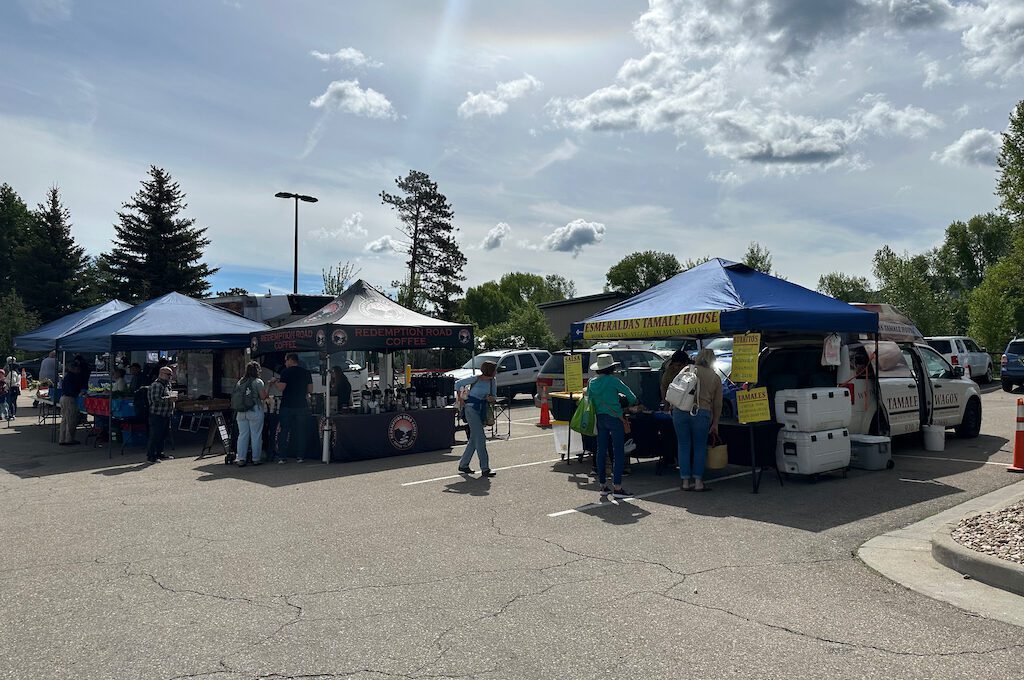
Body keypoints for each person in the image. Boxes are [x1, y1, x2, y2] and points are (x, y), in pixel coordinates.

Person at [587, 353, 638, 498]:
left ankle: (603, 485)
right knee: (618, 452)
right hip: (615, 418)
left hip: (600, 418)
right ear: (611, 368)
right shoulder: (613, 381)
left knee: (601, 450)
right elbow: (632, 397)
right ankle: (617, 487)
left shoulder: (591, 382)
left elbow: (589, 399)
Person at [672, 347, 723, 492]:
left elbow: (675, 387)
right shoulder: (715, 377)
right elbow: (718, 404)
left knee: (683, 445)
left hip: (680, 411)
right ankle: (699, 482)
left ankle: (685, 481)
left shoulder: (687, 369)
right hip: (701, 412)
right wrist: (715, 423)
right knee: (700, 447)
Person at [455, 360, 498, 477]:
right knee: (480, 438)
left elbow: (494, 396)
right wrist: (461, 399)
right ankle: (485, 468)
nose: (496, 372)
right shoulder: (476, 378)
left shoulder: (492, 382)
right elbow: (457, 384)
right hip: (471, 409)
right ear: (490, 371)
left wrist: (491, 398)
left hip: (481, 410)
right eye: (495, 369)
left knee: (474, 439)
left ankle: (463, 465)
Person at [269, 353, 313, 463]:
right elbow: (310, 390)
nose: (285, 363)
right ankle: (300, 456)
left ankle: (282, 456)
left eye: (285, 360)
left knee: (284, 431)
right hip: (302, 405)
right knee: (301, 431)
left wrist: (275, 382)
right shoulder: (306, 372)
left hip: (287, 405)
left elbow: (281, 388)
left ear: (290, 360)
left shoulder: (285, 372)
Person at [234, 361, 269, 467]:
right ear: (257, 370)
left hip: (241, 412)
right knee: (256, 435)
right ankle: (256, 458)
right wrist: (269, 386)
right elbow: (263, 397)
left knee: (242, 435)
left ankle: (241, 458)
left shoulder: (240, 381)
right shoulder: (258, 382)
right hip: (254, 410)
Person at [146, 366, 177, 463]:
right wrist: (169, 399)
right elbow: (155, 400)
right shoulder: (156, 385)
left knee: (163, 435)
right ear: (161, 374)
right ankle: (151, 456)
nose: (170, 377)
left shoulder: (167, 384)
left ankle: (160, 453)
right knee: (155, 435)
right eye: (168, 374)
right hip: (157, 414)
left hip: (166, 414)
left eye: (171, 375)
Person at [58, 363, 84, 445]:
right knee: (71, 419)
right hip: (70, 399)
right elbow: (73, 390)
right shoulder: (73, 377)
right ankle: (69, 439)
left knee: (64, 419)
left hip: (63, 398)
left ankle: (62, 439)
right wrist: (79, 393)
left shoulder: (67, 376)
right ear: (74, 369)